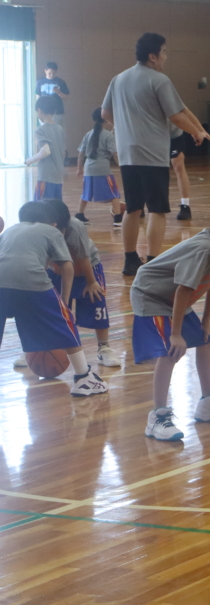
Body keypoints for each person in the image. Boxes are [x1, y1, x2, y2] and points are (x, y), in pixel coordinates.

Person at [130, 196, 210, 441]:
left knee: (205, 339)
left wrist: (206, 322)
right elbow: (183, 290)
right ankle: (157, 416)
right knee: (170, 349)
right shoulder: (203, 248)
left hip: (174, 297)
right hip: (151, 295)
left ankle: (208, 404)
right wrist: (176, 333)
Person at [102, 32, 210, 276]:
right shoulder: (159, 80)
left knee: (133, 208)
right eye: (164, 52)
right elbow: (175, 115)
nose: (166, 57)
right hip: (152, 154)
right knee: (157, 209)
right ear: (152, 56)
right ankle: (153, 261)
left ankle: (130, 260)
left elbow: (105, 113)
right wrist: (196, 132)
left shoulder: (118, 79)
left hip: (127, 154)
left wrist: (125, 129)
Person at [1, 201, 109, 397]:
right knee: (64, 323)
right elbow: (67, 266)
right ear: (53, 223)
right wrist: (64, 303)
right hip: (31, 280)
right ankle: (84, 378)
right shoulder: (53, 232)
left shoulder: (11, 229)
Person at [43, 199, 121, 368]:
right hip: (56, 271)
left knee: (97, 305)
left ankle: (104, 348)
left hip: (86, 270)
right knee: (55, 310)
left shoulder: (75, 227)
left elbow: (83, 257)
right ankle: (43, 349)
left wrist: (92, 281)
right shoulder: (41, 229)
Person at [76, 107, 122, 227]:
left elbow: (81, 153)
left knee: (86, 194)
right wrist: (122, 166)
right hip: (102, 169)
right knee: (114, 194)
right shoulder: (108, 136)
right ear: (106, 119)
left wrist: (79, 168)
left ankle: (79, 215)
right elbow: (115, 154)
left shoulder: (88, 134)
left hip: (88, 169)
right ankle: (118, 219)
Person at [25, 96, 66, 202]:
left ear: (39, 110)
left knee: (40, 207)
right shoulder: (60, 129)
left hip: (46, 175)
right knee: (56, 208)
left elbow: (45, 151)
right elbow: (63, 152)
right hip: (58, 175)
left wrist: (30, 160)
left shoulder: (40, 130)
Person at [36, 62, 69, 129]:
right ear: (45, 71)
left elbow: (66, 98)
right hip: (44, 112)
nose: (51, 75)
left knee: (58, 132)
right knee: (45, 132)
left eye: (53, 73)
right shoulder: (40, 82)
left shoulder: (60, 82)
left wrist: (58, 92)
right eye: (49, 73)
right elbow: (38, 97)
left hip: (57, 112)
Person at [170, 126, 193, 221]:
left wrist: (195, 130)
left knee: (179, 167)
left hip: (173, 135)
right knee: (150, 169)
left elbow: (183, 113)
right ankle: (140, 204)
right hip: (153, 135)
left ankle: (185, 205)